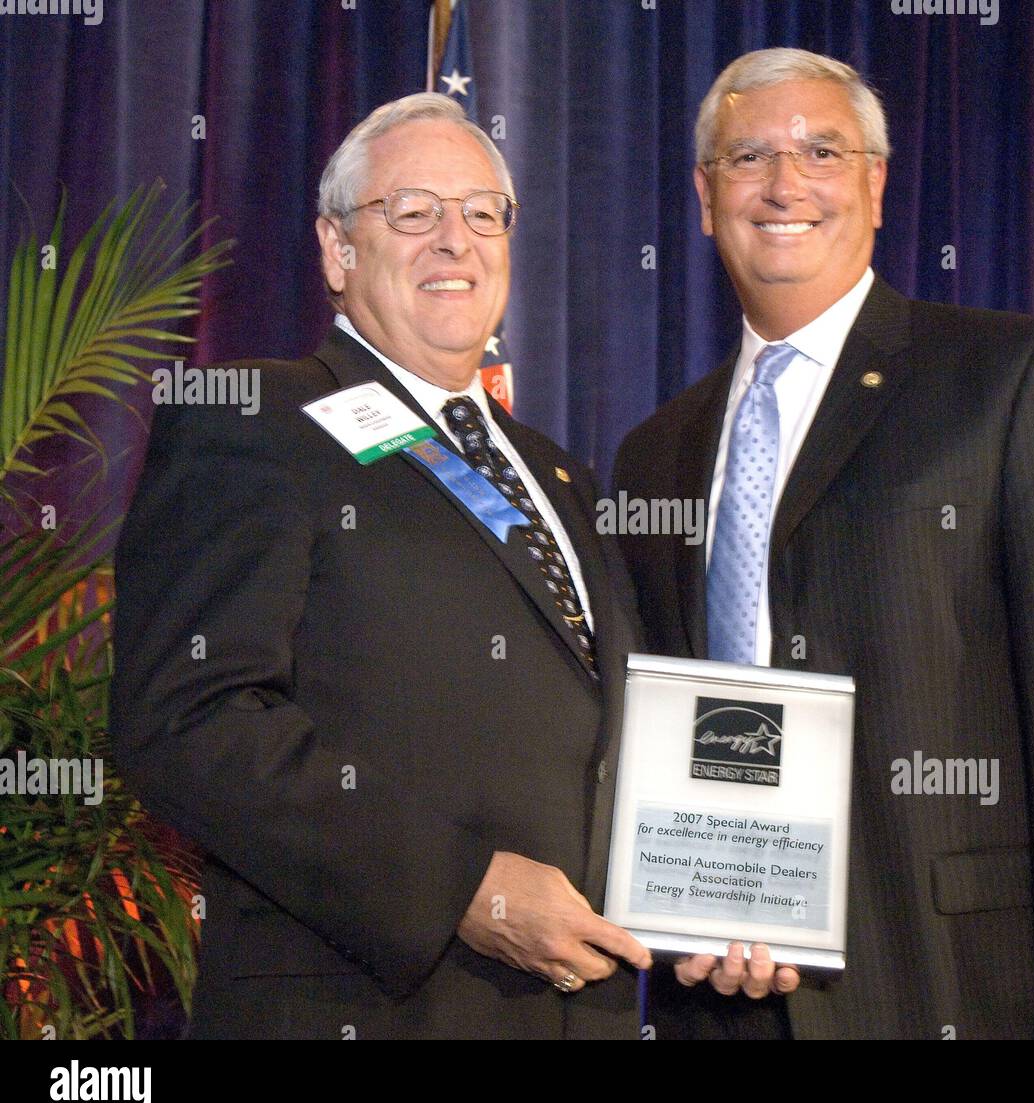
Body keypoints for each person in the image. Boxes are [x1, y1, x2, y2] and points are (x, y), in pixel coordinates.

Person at [613, 48, 1034, 1039]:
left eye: (821, 150)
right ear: (706, 198)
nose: (784, 182)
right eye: (747, 157)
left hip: (955, 990)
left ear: (876, 185)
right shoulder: (652, 453)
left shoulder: (1013, 377)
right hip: (720, 999)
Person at [110, 92, 651, 1039]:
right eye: (413, 212)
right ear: (337, 249)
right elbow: (186, 718)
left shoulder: (561, 474)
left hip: (578, 1012)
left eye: (483, 213)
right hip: (364, 1005)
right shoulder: (255, 420)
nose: (456, 240)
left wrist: (727, 906)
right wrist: (462, 892)